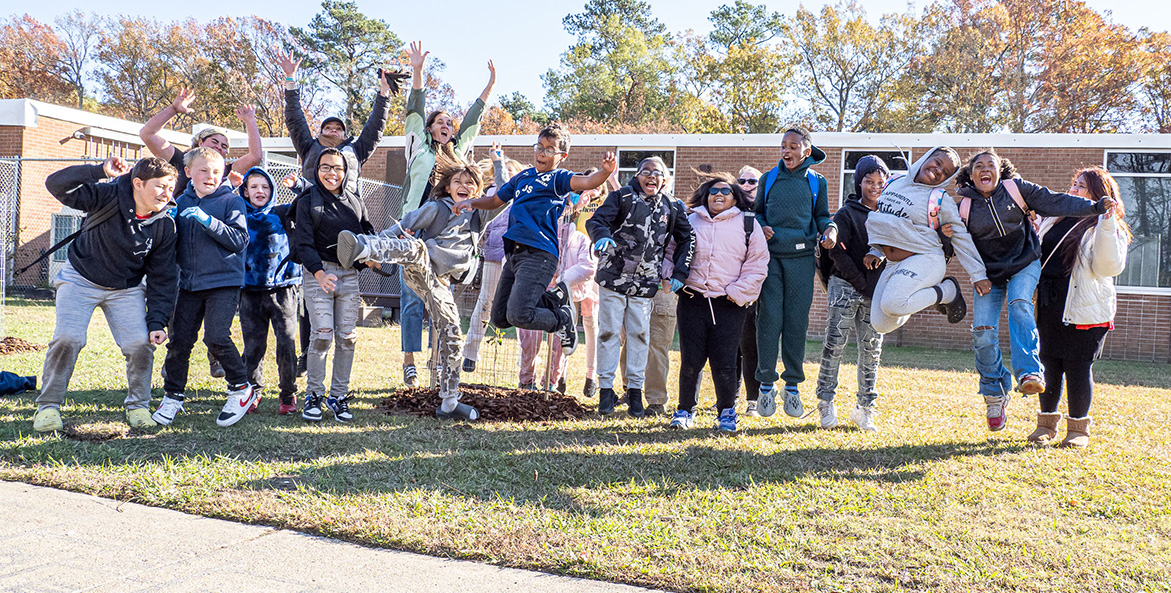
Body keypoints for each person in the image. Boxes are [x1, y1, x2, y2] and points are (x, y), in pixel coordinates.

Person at [337, 153, 503, 420]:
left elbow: (504, 195)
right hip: (420, 268)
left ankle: (449, 401)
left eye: (471, 183)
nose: (464, 186)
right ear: (448, 187)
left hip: (441, 283)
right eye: (458, 181)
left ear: (478, 190)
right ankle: (363, 246)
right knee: (416, 247)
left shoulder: (479, 217)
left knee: (452, 334)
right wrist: (373, 248)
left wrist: (498, 163)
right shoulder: (436, 208)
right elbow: (404, 225)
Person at [954, 149, 1111, 431]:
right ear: (971, 174)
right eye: (979, 166)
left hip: (1023, 265)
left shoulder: (1018, 189)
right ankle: (995, 392)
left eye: (992, 165)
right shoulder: (964, 206)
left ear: (1001, 171)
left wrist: (1094, 207)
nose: (985, 169)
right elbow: (957, 245)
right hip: (987, 275)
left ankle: (1029, 373)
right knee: (982, 331)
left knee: (1019, 303)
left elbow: (1056, 201)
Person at [31, 157, 179, 433]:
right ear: (138, 183)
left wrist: (158, 320)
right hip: (80, 279)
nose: (166, 194)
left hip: (126, 289)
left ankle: (138, 407)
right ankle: (48, 407)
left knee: (139, 345)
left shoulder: (165, 225)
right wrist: (98, 171)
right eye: (160, 186)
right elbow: (55, 184)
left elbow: (163, 277)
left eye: (171, 188)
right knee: (68, 338)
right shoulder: (107, 195)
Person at [452, 123, 617, 365]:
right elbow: (496, 199)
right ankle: (555, 301)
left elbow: (587, 182)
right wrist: (473, 202)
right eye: (539, 147)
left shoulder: (558, 179)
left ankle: (561, 319)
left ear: (562, 156)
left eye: (550, 150)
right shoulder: (523, 177)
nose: (542, 153)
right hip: (515, 254)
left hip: (539, 254)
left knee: (520, 314)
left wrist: (604, 173)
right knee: (500, 317)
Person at [400, 42, 495, 386]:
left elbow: (473, 119)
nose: (446, 125)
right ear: (428, 127)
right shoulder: (417, 146)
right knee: (412, 299)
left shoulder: (460, 155)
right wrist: (417, 71)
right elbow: (415, 106)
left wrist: (490, 86)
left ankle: (437, 361)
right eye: (440, 121)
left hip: (446, 235)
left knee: (441, 301)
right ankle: (409, 361)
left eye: (449, 123)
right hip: (415, 228)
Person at [153, 148, 255, 428]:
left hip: (223, 281)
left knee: (217, 337)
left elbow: (239, 240)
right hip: (188, 283)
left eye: (216, 171)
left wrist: (209, 221)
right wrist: (165, 220)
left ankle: (240, 388)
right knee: (180, 341)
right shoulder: (178, 202)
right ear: (188, 173)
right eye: (203, 170)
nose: (210, 176)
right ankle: (172, 396)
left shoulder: (231, 201)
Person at [863, 147, 987, 374]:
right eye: (937, 162)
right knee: (880, 323)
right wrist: (877, 250)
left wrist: (978, 274)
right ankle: (914, 297)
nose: (938, 170)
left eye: (945, 171)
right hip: (893, 263)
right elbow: (885, 224)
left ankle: (947, 291)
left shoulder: (939, 199)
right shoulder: (894, 182)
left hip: (926, 259)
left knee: (892, 303)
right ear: (926, 158)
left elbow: (961, 237)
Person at [587, 157, 694, 417]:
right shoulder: (622, 197)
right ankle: (605, 390)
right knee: (609, 333)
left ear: (665, 180)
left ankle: (636, 392)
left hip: (646, 283)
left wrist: (680, 270)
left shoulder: (673, 206)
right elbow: (596, 221)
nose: (651, 177)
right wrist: (601, 237)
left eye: (657, 173)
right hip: (613, 278)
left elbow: (687, 237)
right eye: (646, 172)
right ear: (637, 177)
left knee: (640, 335)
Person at [1031, 167, 1130, 448]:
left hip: (1086, 306)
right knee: (1049, 364)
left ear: (1099, 194)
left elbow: (1108, 267)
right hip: (1050, 303)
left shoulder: (1109, 227)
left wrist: (1107, 223)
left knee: (1076, 366)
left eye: (1081, 187)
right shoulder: (1056, 218)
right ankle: (1045, 424)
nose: (1073, 190)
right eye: (1073, 184)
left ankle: (1078, 430)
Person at [668, 171, 767, 432]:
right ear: (705, 196)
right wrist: (672, 277)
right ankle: (685, 410)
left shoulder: (748, 224)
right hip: (692, 300)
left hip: (729, 304)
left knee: (724, 362)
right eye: (714, 191)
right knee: (691, 360)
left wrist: (735, 293)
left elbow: (757, 265)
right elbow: (669, 253)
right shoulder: (689, 221)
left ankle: (726, 413)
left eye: (726, 191)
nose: (719, 195)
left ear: (736, 198)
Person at [752, 127, 837, 420]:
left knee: (796, 323)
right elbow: (757, 212)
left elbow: (822, 216)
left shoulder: (817, 182)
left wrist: (831, 229)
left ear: (807, 151)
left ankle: (792, 387)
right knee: (769, 319)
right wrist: (761, 226)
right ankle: (765, 386)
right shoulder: (769, 178)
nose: (786, 151)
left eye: (793, 146)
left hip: (802, 259)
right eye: (783, 145)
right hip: (771, 258)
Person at [290, 148, 376, 423]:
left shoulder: (355, 202)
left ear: (345, 171)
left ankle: (338, 396)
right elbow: (302, 243)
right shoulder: (307, 202)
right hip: (319, 276)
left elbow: (366, 237)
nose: (332, 173)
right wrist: (318, 273)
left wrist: (373, 257)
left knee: (347, 338)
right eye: (325, 167)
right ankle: (313, 394)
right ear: (316, 170)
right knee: (323, 334)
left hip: (349, 276)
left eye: (337, 168)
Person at [814, 156, 888, 431]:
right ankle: (825, 402)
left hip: (875, 290)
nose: (875, 187)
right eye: (869, 182)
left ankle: (865, 408)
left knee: (871, 350)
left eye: (881, 182)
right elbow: (836, 253)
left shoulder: (890, 213)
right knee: (835, 344)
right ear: (859, 182)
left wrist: (872, 284)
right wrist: (859, 281)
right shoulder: (847, 213)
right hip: (844, 286)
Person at [517, 184, 599, 392]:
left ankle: (551, 382)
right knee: (530, 339)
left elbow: (588, 266)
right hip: (535, 292)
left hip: (561, 296)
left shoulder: (580, 239)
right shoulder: (537, 235)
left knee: (558, 345)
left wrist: (563, 278)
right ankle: (526, 380)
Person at [238, 167, 301, 416]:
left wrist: (297, 186)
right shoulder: (237, 213)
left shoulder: (282, 213)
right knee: (253, 345)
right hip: (250, 289)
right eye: (254, 187)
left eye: (265, 187)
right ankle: (252, 391)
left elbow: (307, 201)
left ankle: (288, 394)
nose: (259, 191)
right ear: (245, 191)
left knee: (286, 343)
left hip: (283, 288)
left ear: (273, 191)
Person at [461, 154, 524, 373]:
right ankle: (470, 352)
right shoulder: (492, 193)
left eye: (510, 171)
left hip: (516, 254)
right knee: (485, 302)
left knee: (519, 305)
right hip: (494, 254)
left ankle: (522, 361)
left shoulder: (522, 194)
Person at [138, 88, 263, 198]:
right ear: (201, 142)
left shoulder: (227, 171)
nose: (218, 147)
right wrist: (173, 109)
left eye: (224, 146)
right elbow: (147, 134)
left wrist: (250, 121)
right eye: (214, 141)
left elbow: (255, 156)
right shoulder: (180, 160)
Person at [736, 166, 762, 415]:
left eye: (752, 181)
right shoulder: (730, 211)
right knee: (729, 346)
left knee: (750, 345)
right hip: (729, 286)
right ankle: (729, 397)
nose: (746, 184)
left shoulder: (765, 212)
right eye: (741, 180)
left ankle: (753, 400)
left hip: (755, 289)